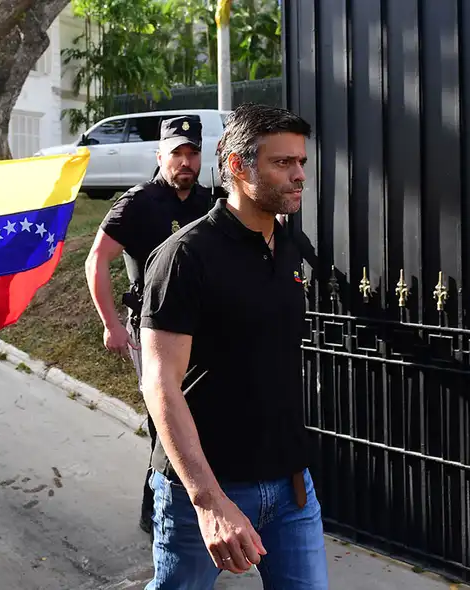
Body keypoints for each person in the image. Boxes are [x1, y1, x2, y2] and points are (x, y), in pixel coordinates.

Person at [138, 103, 329, 589]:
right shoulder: (185, 256)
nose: (299, 175)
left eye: (301, 162)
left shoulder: (287, 247)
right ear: (240, 167)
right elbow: (160, 384)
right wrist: (207, 500)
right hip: (203, 489)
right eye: (282, 162)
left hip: (291, 487)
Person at [85, 115, 214, 537]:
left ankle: (191, 504)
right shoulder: (138, 202)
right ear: (160, 156)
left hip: (202, 329)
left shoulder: (209, 202)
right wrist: (110, 324)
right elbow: (96, 260)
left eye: (192, 153)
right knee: (165, 418)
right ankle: (157, 508)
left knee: (200, 416)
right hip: (152, 329)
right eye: (177, 153)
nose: (185, 161)